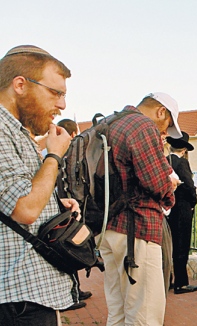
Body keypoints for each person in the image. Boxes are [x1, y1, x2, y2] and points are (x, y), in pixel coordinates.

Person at [0, 45, 81, 325]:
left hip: (26, 298)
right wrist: (54, 155)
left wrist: (54, 206)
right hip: (18, 302)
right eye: (55, 93)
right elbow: (24, 209)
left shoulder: (17, 131)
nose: (62, 105)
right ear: (20, 84)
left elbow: (24, 195)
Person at [98, 92, 182, 325]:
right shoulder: (142, 125)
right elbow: (156, 182)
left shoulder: (109, 122)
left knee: (117, 311)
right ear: (161, 111)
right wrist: (170, 188)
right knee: (144, 313)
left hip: (108, 227)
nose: (165, 132)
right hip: (137, 231)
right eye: (167, 124)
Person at [55, 119, 93, 312]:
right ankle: (73, 294)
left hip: (65, 208)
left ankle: (75, 290)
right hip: (64, 212)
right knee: (70, 248)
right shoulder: (60, 155)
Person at [166, 131, 197, 294]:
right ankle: (181, 282)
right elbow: (188, 185)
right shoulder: (182, 164)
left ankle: (168, 279)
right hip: (182, 209)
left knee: (169, 246)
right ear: (184, 149)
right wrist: (193, 202)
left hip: (168, 209)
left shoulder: (165, 161)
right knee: (182, 246)